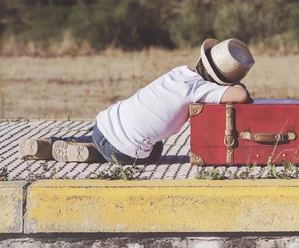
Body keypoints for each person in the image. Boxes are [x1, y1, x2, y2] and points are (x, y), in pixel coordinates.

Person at [18, 38, 254, 164]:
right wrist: (236, 84)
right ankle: (91, 152)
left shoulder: (179, 71)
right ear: (222, 80)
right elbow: (242, 96)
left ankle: (54, 143)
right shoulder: (202, 90)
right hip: (124, 152)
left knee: (113, 136)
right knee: (154, 148)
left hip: (104, 124)